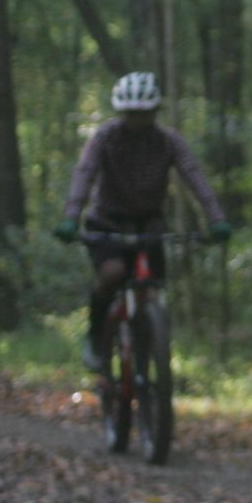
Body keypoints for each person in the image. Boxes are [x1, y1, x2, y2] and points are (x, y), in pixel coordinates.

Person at [54, 72, 231, 374]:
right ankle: (97, 335)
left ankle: (150, 353)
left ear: (154, 112)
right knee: (113, 273)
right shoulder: (105, 137)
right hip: (107, 223)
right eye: (131, 114)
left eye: (144, 114)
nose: (137, 120)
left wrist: (216, 218)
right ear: (121, 112)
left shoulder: (168, 141)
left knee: (152, 290)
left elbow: (194, 176)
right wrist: (71, 216)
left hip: (149, 225)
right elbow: (85, 173)